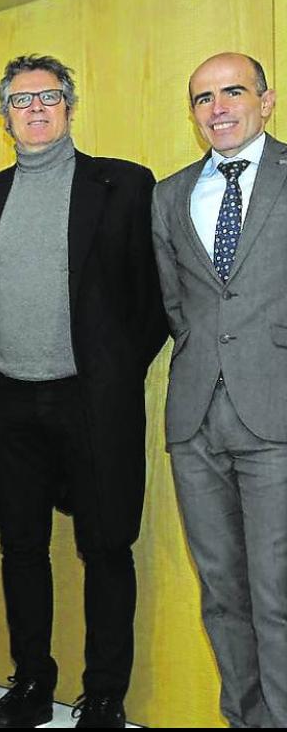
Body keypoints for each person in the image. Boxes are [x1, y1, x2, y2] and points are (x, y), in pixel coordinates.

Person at [0, 54, 166, 729]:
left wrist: (115, 370)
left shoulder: (124, 186)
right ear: (5, 117)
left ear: (70, 106)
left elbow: (152, 302)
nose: (35, 109)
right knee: (21, 551)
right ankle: (32, 685)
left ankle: (103, 693)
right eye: (20, 100)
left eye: (48, 97)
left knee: (107, 549)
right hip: (10, 403)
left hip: (92, 402)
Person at [151, 52, 285, 728]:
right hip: (198, 420)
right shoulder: (171, 194)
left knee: (278, 595)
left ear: (266, 99)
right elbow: (180, 309)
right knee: (224, 596)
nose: (218, 108)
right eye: (202, 98)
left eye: (233, 91)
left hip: (279, 418)